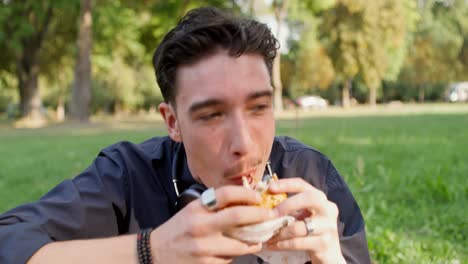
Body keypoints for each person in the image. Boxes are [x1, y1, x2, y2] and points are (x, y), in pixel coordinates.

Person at [0, 7, 370, 264]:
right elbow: (9, 243)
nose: (245, 145)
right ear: (172, 121)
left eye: (258, 108)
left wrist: (332, 258)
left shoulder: (309, 174)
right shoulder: (128, 176)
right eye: (211, 115)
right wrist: (152, 251)